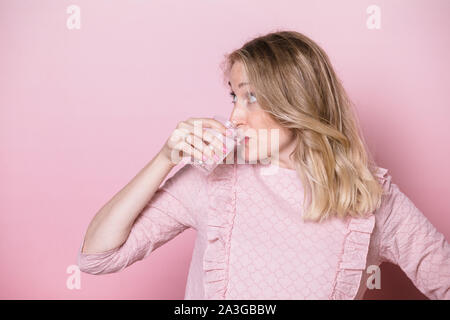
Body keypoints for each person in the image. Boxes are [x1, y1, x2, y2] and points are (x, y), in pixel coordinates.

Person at [77, 30, 450, 299]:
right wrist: (164, 159)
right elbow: (97, 257)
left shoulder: (370, 198)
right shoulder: (214, 179)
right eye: (234, 97)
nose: (234, 116)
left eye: (251, 97)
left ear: (298, 102)